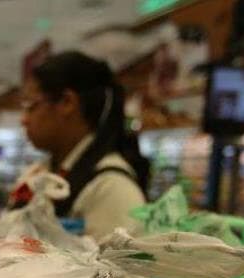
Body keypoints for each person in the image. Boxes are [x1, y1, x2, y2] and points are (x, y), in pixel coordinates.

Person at [18, 51, 149, 239]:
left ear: (67, 102)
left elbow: (116, 258)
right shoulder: (42, 172)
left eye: (30, 106)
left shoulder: (111, 188)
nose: (23, 119)